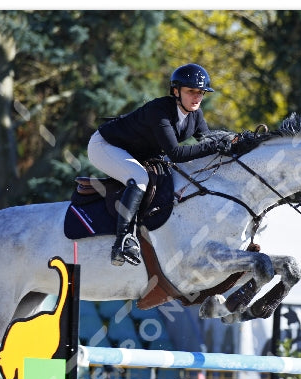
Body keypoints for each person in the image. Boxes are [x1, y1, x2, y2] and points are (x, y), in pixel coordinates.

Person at [87, 63, 232, 266]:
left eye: (201, 92)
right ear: (176, 91)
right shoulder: (159, 110)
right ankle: (123, 242)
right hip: (105, 145)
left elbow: (209, 141)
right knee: (138, 177)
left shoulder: (196, 115)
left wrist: (236, 142)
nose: (197, 97)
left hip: (136, 152)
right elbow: (176, 153)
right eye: (191, 91)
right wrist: (217, 145)